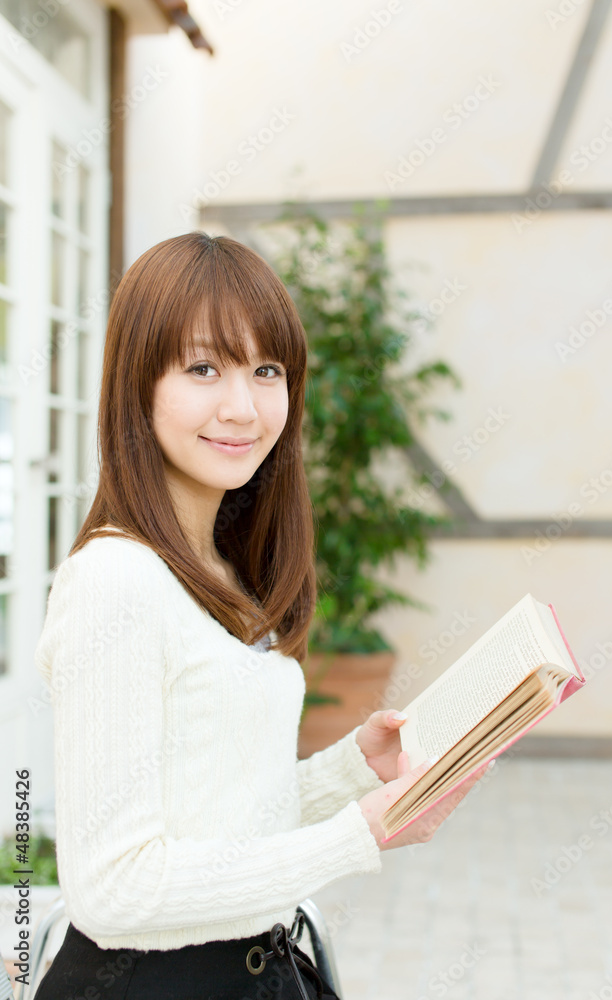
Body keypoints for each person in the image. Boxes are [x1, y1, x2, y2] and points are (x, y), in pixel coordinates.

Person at [33, 232, 486, 1000]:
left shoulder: (219, 570)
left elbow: (215, 821)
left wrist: (350, 774)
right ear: (137, 385)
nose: (242, 407)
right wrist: (356, 836)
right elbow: (115, 890)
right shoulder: (114, 580)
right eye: (204, 368)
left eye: (266, 370)